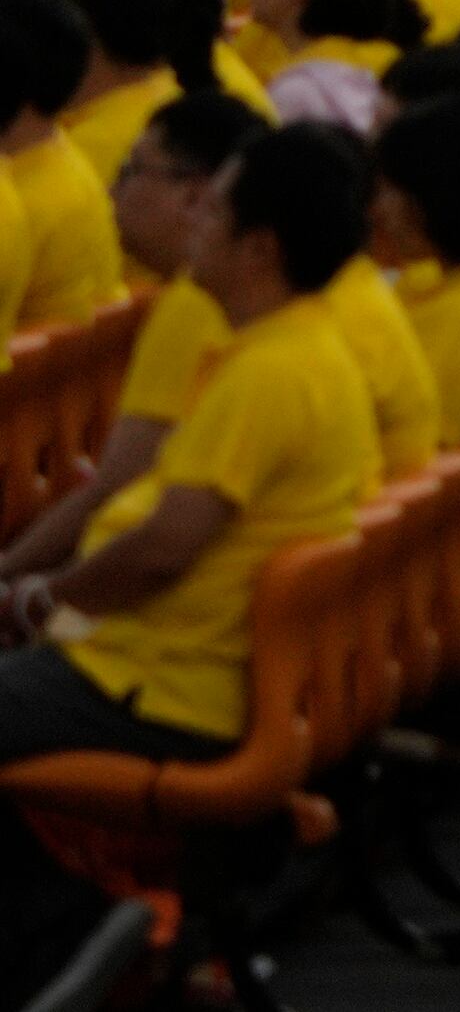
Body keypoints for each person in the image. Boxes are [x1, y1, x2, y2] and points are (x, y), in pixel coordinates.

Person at [0, 117, 379, 955]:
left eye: (214, 213)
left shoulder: (272, 372)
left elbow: (165, 547)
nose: (194, 225)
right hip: (152, 658)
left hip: (158, 685)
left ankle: (66, 926)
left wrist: (40, 599)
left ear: (260, 250)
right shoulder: (288, 348)